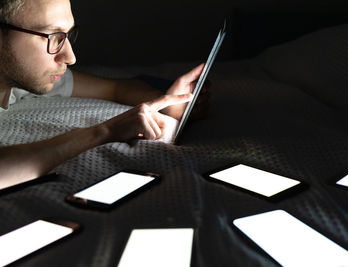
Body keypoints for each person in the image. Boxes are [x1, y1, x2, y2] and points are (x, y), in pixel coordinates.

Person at [0, 0, 208, 189]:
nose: (70, 57)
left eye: (67, 36)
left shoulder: (20, 79)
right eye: (53, 36)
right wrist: (105, 131)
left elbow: (115, 88)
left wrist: (170, 102)